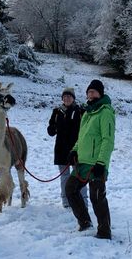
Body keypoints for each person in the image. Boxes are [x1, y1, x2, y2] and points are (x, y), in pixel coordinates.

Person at [65, 79, 115, 240]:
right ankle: (85, 222)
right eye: (88, 92)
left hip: (97, 163)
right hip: (82, 162)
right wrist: (74, 151)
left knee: (97, 197)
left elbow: (108, 139)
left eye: (93, 91)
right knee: (70, 189)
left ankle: (104, 232)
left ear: (100, 93)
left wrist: (101, 162)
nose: (90, 94)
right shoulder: (87, 112)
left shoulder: (105, 112)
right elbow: (82, 137)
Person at [47, 87, 88, 208]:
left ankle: (82, 200)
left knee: (80, 176)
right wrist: (52, 129)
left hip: (77, 150)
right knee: (64, 177)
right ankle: (66, 201)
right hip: (61, 149)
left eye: (69, 96)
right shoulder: (57, 112)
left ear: (73, 98)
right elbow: (50, 130)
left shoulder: (81, 111)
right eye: (64, 97)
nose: (66, 99)